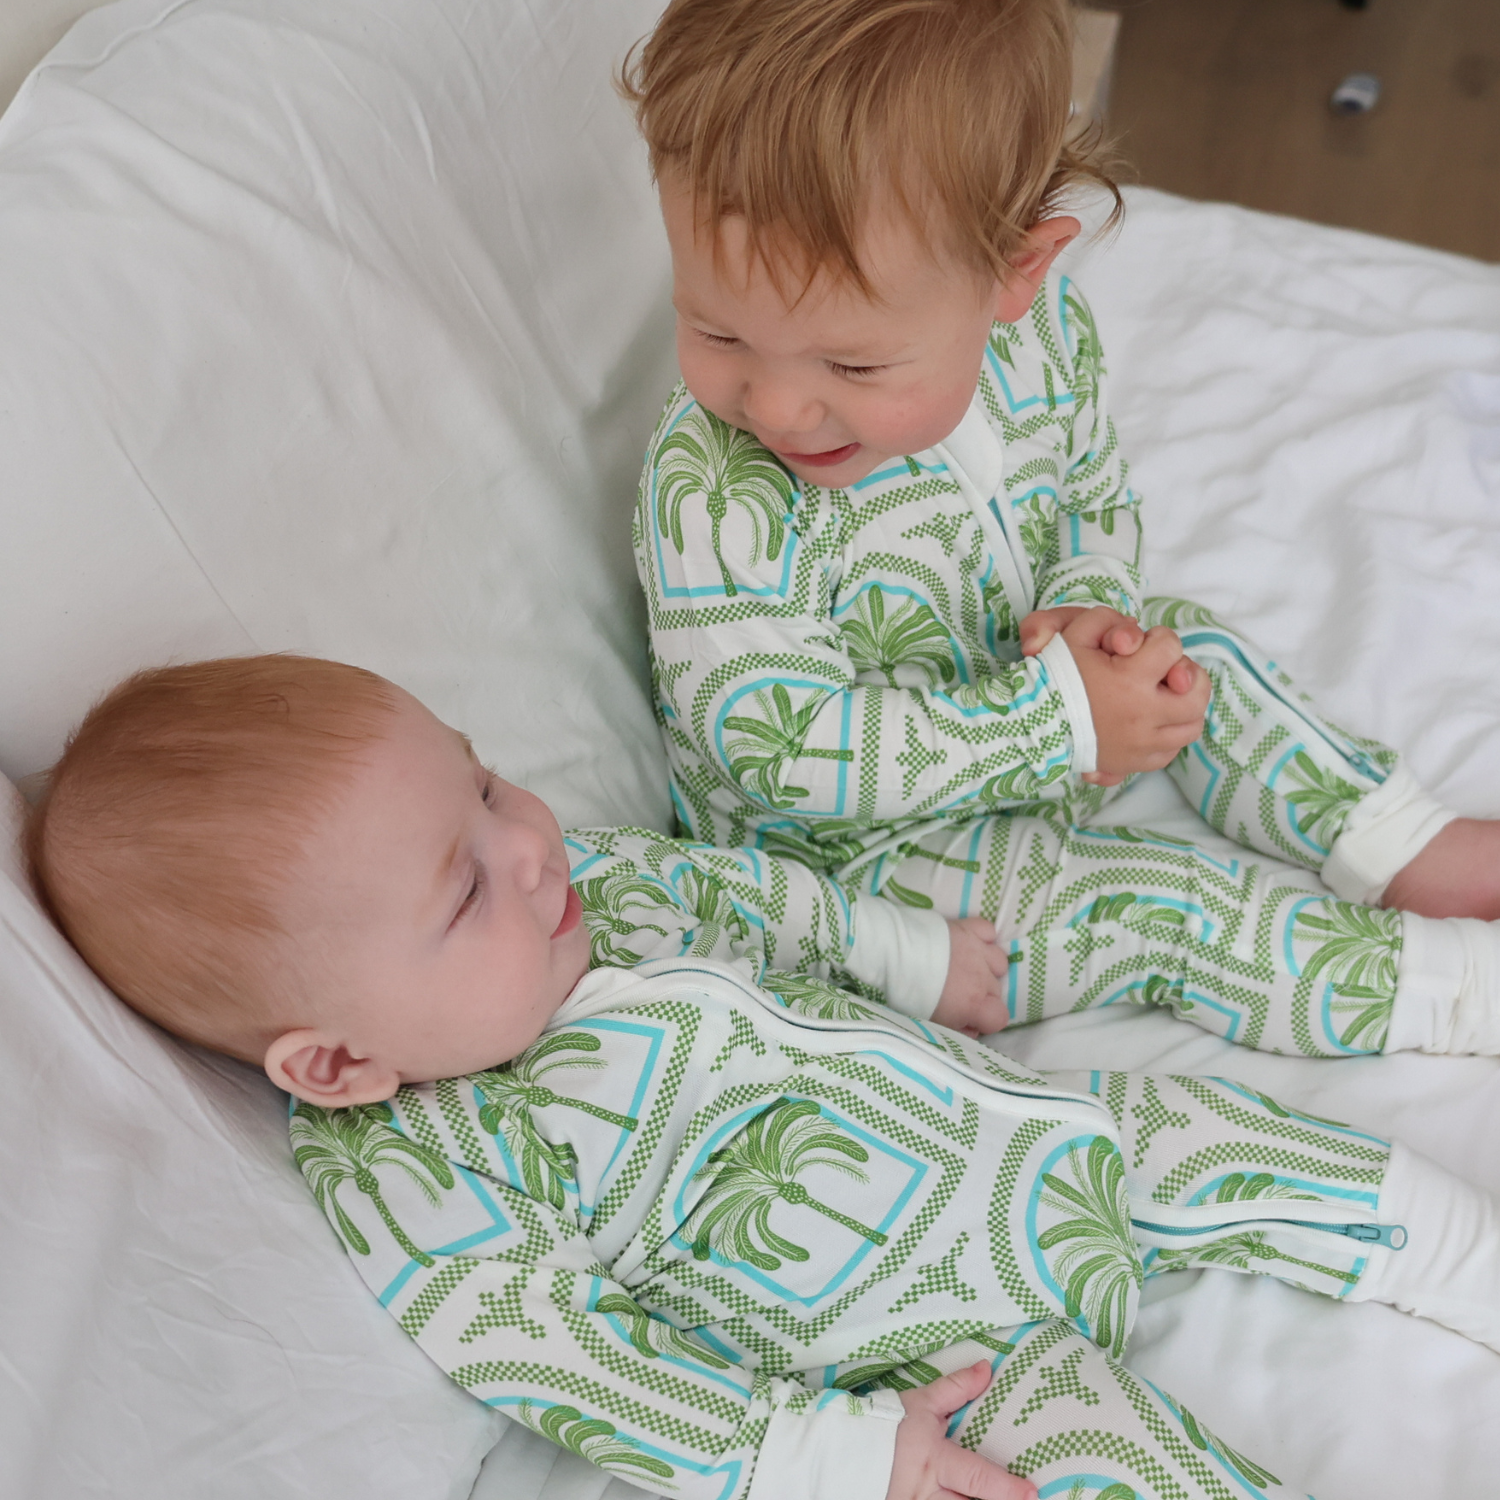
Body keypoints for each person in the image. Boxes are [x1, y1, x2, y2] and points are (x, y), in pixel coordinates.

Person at [25, 655, 1500, 1500]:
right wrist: (825, 1458)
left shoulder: (591, 890)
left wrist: (914, 959)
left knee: (1261, 1151)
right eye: (461, 886)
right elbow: (565, 1361)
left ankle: (1463, 1260)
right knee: (1101, 1472)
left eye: (481, 780)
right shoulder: (418, 1169)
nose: (527, 842)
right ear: (341, 1060)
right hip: (940, 1354)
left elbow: (758, 900)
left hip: (1042, 1142)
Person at [621, 0, 1500, 1065]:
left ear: (1014, 272)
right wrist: (1055, 723)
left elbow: (1092, 486)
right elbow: (777, 747)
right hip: (863, 869)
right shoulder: (712, 490)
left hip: (1028, 709)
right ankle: (1455, 993)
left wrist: (1093, 608)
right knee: (1158, 907)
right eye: (716, 331)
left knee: (1189, 650)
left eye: (852, 363)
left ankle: (1398, 842)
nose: (776, 405)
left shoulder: (1043, 337)